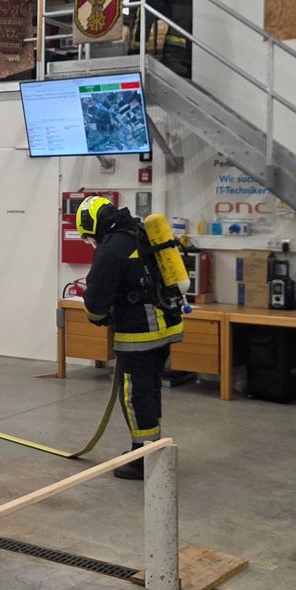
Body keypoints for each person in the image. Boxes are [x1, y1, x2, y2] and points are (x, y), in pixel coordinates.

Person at [77, 195, 184, 479]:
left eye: (89, 237)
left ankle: (143, 459)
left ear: (94, 226)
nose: (91, 243)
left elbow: (96, 302)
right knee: (150, 389)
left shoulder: (111, 249)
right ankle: (152, 447)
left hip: (139, 334)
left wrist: (99, 317)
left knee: (135, 395)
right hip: (167, 327)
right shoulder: (140, 231)